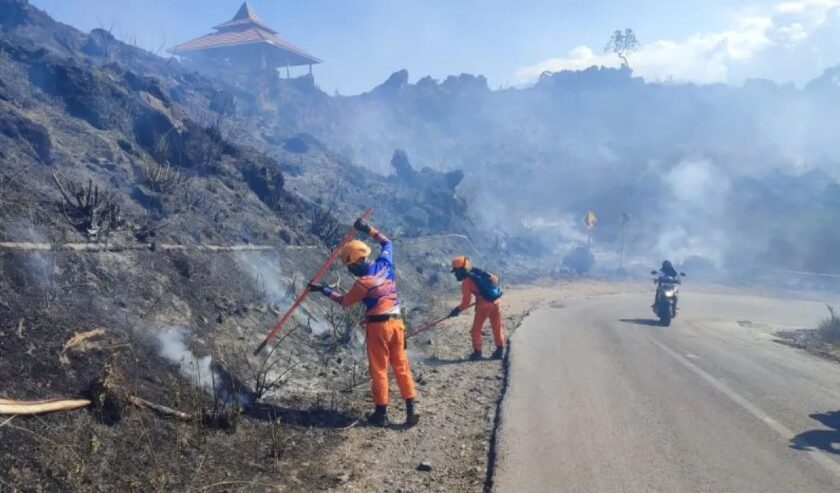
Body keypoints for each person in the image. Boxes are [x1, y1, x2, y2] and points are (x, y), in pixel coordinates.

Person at [309, 218, 418, 428]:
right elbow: (387, 243)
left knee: (379, 370)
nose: (351, 272)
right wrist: (368, 228)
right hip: (398, 324)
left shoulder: (363, 283)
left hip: (379, 328)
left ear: (358, 262)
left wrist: (324, 290)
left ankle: (381, 414)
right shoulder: (385, 264)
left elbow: (345, 301)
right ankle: (412, 408)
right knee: (401, 367)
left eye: (350, 267)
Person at [448, 256, 505, 361]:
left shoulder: (466, 282)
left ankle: (477, 353)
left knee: (475, 330)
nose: (456, 274)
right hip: (496, 302)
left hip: (483, 306)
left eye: (456, 272)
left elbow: (466, 302)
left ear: (461, 270)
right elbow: (496, 280)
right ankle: (500, 351)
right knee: (497, 327)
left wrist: (457, 310)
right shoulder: (482, 273)